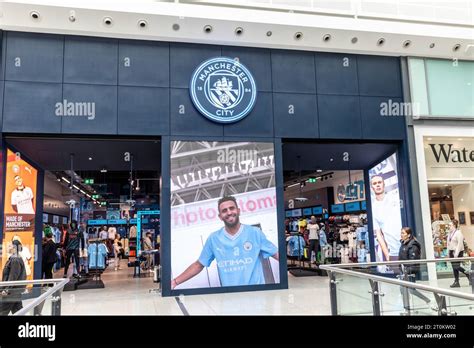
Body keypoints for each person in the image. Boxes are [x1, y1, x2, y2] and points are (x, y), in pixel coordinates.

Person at [171, 196, 279, 289]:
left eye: (232, 208)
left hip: (257, 295)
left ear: (238, 210)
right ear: (220, 217)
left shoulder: (255, 233)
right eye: (224, 210)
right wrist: (175, 282)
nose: (229, 212)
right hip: (230, 297)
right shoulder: (214, 239)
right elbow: (199, 265)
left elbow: (277, 254)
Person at [370, 174, 402, 262]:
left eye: (379, 182)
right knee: (397, 275)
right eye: (374, 183)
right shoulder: (373, 208)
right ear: (372, 187)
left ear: (384, 184)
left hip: (407, 247)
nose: (377, 185)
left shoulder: (395, 198)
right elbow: (379, 235)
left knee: (413, 274)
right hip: (393, 252)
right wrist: (387, 256)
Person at [398, 227, 431, 308]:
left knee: (411, 290)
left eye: (403, 233)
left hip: (410, 272)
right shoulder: (403, 243)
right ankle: (406, 306)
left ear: (408, 235)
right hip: (404, 271)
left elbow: (413, 260)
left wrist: (409, 270)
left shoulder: (413, 245)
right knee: (403, 289)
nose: (401, 235)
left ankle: (426, 300)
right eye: (401, 233)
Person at [0, 240, 26, 315]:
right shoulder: (14, 258)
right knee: (18, 311)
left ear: (14, 247)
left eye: (10, 245)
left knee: (2, 311)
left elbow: (13, 276)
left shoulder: (15, 259)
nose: (8, 247)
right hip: (15, 291)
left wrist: (7, 290)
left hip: (11, 292)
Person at [447, 220, 470, 288]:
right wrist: (448, 252)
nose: (449, 227)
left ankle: (467, 273)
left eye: (450, 225)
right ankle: (456, 282)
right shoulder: (449, 233)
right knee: (454, 268)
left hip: (458, 252)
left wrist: (456, 253)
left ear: (454, 225)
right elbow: (448, 244)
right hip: (451, 252)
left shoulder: (458, 233)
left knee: (456, 266)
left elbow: (460, 244)